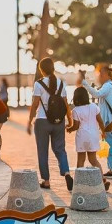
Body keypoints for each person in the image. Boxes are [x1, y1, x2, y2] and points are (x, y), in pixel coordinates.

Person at [27, 57, 74, 190]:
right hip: (59, 121)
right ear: (53, 68)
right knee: (60, 149)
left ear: (41, 70)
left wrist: (29, 120)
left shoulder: (39, 84)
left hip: (42, 121)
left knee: (43, 151)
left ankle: (46, 181)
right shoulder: (61, 83)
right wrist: (69, 120)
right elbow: (66, 104)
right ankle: (67, 173)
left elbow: (35, 104)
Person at [81, 65, 112, 182]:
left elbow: (96, 94)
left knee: (109, 148)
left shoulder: (108, 86)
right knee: (109, 147)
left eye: (100, 74)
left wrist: (86, 85)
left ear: (106, 75)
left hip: (109, 122)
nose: (99, 77)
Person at [68, 87, 110, 191]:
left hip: (82, 137)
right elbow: (100, 121)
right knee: (93, 160)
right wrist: (103, 133)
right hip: (93, 136)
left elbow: (76, 126)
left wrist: (69, 129)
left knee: (81, 160)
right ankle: (102, 180)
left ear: (76, 98)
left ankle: (78, 183)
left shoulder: (76, 110)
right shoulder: (94, 107)